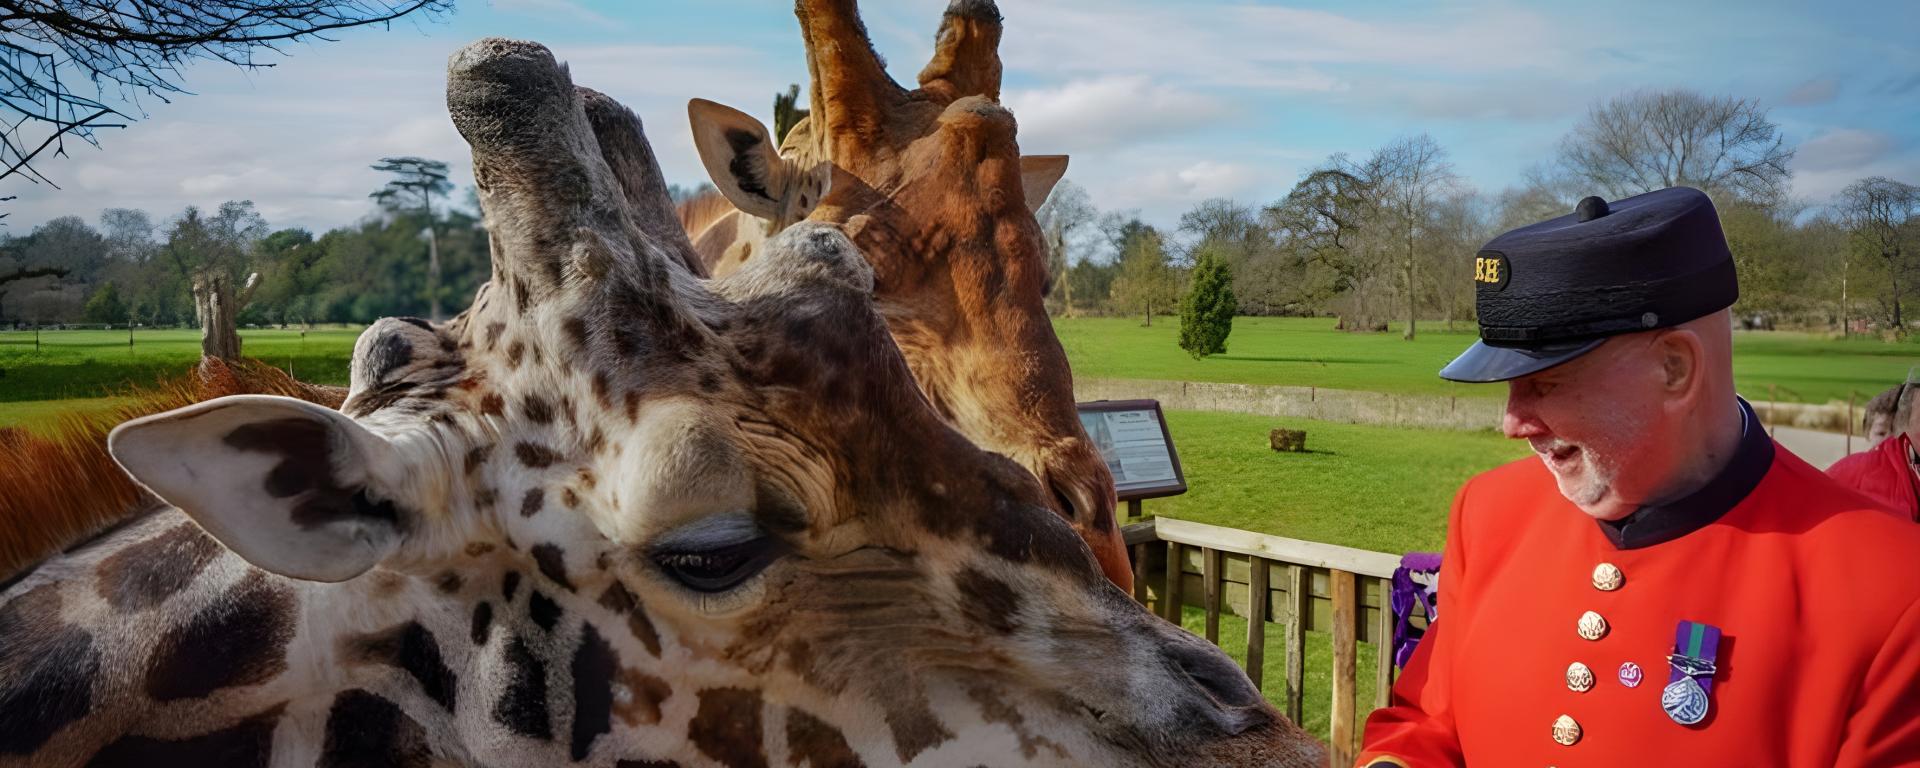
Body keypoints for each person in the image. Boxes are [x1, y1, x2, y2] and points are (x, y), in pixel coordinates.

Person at [1356, 187, 1920, 767]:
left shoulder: (1895, 590)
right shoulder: (1488, 513)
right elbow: (1426, 723)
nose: (1512, 423)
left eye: (1546, 383)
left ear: (1674, 367)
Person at [1826, 382, 1919, 520]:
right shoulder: (1850, 473)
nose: (1890, 440)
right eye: (1881, 433)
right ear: (1866, 434)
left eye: (1895, 433)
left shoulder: (1909, 474)